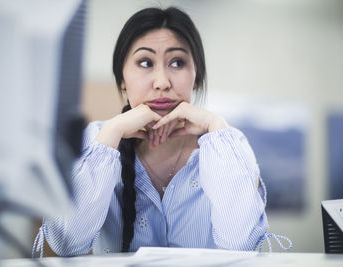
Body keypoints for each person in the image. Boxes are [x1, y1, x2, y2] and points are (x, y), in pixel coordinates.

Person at [33, 6, 291, 257]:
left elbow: (241, 243)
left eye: (177, 63)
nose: (162, 83)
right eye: (145, 62)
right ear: (122, 78)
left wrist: (217, 127)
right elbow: (66, 244)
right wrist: (112, 132)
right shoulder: (97, 141)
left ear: (196, 76)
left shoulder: (228, 145)